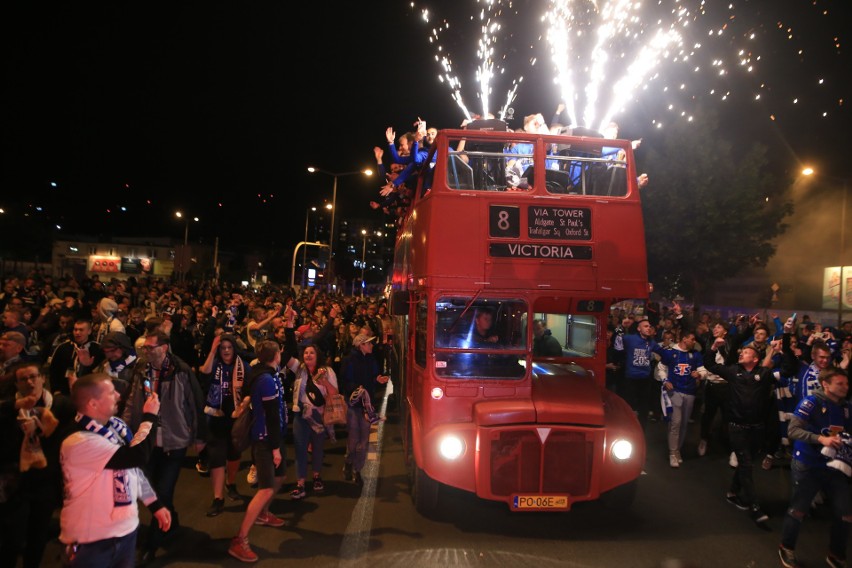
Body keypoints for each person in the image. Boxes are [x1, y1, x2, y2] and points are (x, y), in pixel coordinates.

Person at [59, 373, 170, 568]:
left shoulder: (115, 427)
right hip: (91, 539)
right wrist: (150, 417)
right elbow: (135, 456)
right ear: (93, 404)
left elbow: (132, 469)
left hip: (124, 531)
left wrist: (154, 504)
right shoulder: (78, 440)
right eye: (111, 392)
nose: (118, 395)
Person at [121, 330, 206, 564]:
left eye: (151, 347)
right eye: (145, 348)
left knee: (162, 492)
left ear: (164, 347)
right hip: (148, 441)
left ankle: (152, 544)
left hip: (174, 441)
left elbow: (194, 403)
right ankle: (172, 519)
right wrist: (126, 431)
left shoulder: (181, 371)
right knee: (153, 491)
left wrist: (199, 438)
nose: (147, 351)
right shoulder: (141, 370)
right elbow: (131, 402)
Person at [778, 368, 852, 568]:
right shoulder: (810, 403)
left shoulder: (846, 407)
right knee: (799, 510)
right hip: (809, 464)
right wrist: (820, 439)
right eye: (840, 383)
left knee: (844, 513)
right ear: (826, 384)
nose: (845, 387)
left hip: (834, 466)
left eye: (846, 383)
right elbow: (793, 430)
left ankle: (836, 554)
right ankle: (787, 547)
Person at [228, 341, 287, 563]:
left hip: (273, 438)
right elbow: (271, 416)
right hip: (265, 440)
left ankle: (264, 513)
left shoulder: (266, 373)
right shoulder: (266, 380)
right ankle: (239, 539)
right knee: (265, 488)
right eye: (280, 351)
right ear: (275, 355)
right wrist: (274, 449)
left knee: (280, 476)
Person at [705, 342, 776, 525]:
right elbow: (710, 365)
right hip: (737, 426)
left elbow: (789, 369)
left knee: (747, 462)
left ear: (755, 358)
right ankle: (754, 506)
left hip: (757, 428)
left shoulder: (764, 374)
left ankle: (733, 492)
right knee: (745, 464)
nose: (741, 354)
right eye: (741, 351)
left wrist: (779, 345)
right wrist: (713, 347)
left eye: (746, 352)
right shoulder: (733, 371)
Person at [199, 333, 247, 517]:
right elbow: (204, 371)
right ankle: (218, 498)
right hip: (216, 416)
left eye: (229, 347)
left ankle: (231, 483)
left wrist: (243, 404)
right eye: (222, 348)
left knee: (234, 454)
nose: (226, 351)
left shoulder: (242, 366)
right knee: (217, 457)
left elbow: (248, 388)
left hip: (235, 417)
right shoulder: (215, 364)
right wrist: (212, 350)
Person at [287, 343, 338, 500]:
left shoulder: (327, 371)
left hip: (319, 414)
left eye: (312, 353)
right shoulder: (299, 369)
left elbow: (335, 392)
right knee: (300, 449)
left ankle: (316, 476)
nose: (308, 355)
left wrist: (325, 382)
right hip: (300, 414)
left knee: (317, 448)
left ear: (318, 356)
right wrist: (289, 326)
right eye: (306, 353)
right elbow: (286, 357)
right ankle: (300, 483)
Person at [340, 334, 388, 484]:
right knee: (354, 439)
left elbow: (373, 376)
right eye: (368, 343)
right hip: (353, 404)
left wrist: (377, 379)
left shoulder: (371, 359)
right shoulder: (349, 360)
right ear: (361, 345)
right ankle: (348, 462)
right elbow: (344, 381)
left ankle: (357, 469)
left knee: (364, 439)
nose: (371, 346)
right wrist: (356, 389)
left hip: (367, 405)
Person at [655, 332, 708, 468]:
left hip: (690, 393)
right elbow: (661, 368)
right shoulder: (670, 353)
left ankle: (677, 449)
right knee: (675, 422)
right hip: (675, 391)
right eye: (692, 339)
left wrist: (700, 375)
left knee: (684, 423)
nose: (694, 341)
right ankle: (672, 452)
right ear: (684, 339)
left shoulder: (696, 354)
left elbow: (703, 371)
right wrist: (665, 380)